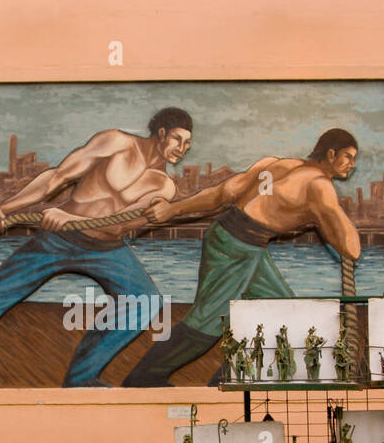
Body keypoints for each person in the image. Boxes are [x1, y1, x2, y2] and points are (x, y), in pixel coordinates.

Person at [0, 108, 192, 388]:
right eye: (178, 139)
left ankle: (81, 379)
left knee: (145, 300)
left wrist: (73, 219)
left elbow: (120, 226)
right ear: (162, 133)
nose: (182, 149)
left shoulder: (164, 186)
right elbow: (56, 177)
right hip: (55, 240)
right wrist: (5, 209)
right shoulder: (116, 142)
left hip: (106, 250)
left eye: (188, 144)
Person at [122, 128, 361, 386]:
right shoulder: (319, 185)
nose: (352, 165)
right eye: (347, 157)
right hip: (236, 247)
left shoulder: (276, 165)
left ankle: (230, 377)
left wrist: (173, 210)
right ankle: (144, 376)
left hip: (244, 244)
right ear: (330, 153)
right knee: (209, 319)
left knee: (285, 311)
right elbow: (352, 249)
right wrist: (329, 216)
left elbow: (222, 193)